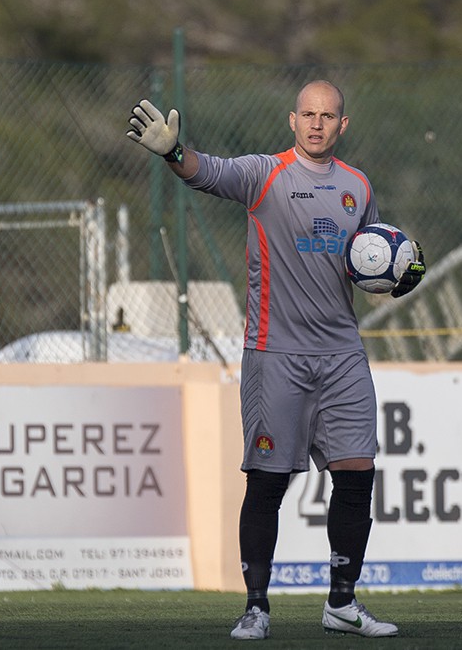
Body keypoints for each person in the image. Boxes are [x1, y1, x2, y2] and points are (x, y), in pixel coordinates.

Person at [127, 80, 425, 640]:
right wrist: (172, 151)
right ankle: (256, 606)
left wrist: (400, 273)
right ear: (293, 120)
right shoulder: (265, 174)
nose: (317, 123)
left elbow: (370, 259)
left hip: (342, 356)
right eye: (308, 114)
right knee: (267, 483)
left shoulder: (357, 187)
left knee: (357, 476)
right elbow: (207, 171)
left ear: (343, 125)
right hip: (275, 356)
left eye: (328, 115)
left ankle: (342, 602)